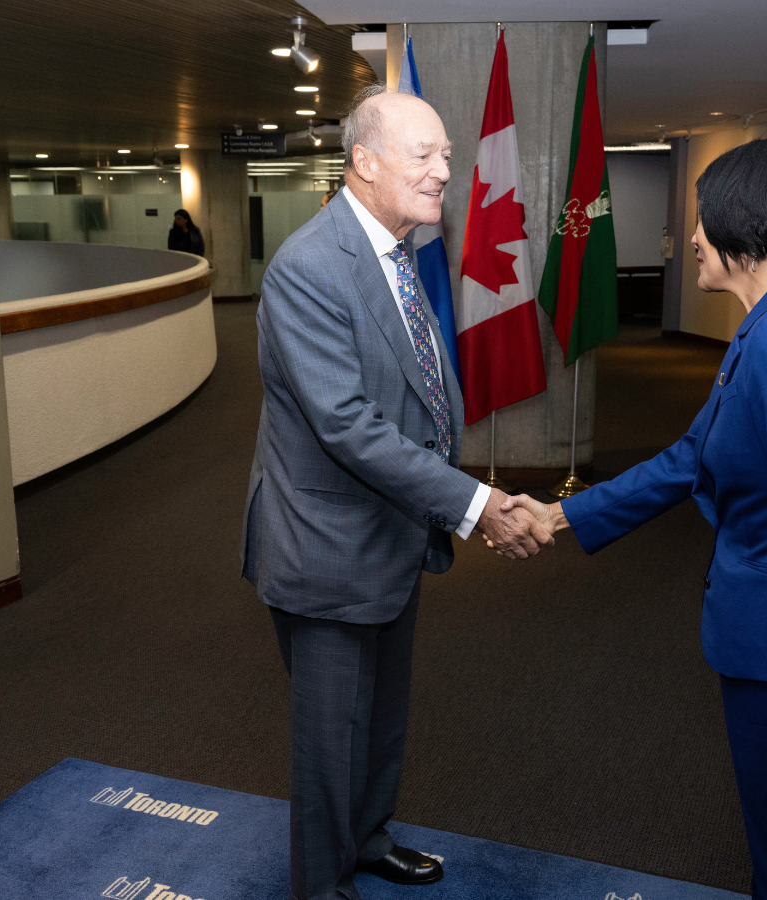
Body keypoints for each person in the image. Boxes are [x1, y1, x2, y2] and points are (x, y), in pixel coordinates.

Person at [502, 137, 767, 900]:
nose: (689, 237)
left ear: (743, 227)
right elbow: (692, 457)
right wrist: (558, 517)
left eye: (701, 218)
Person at [240, 85, 552, 900]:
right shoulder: (308, 269)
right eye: (426, 154)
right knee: (328, 740)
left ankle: (367, 839)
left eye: (447, 153)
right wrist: (480, 506)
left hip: (390, 534)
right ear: (365, 162)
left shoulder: (398, 253)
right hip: (324, 549)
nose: (446, 169)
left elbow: (417, 402)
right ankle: (321, 884)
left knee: (379, 723)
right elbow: (348, 425)